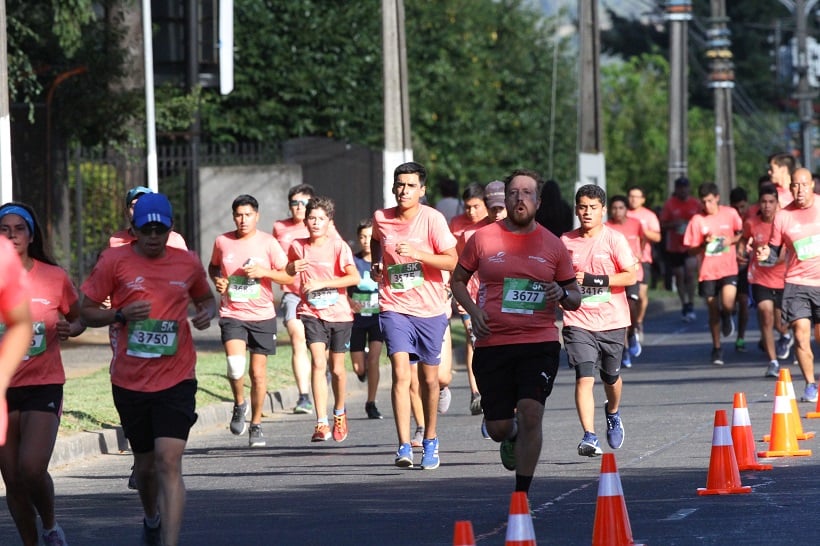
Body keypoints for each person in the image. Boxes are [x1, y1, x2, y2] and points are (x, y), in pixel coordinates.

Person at [80, 193, 215, 546]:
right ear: (134, 230)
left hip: (177, 376)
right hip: (130, 379)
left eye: (160, 229)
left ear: (170, 228)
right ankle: (152, 517)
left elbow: (206, 299)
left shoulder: (187, 262)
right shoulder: (114, 260)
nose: (154, 236)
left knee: (169, 461)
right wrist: (120, 315)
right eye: (146, 229)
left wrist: (205, 314)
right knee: (144, 466)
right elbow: (86, 311)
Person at [451, 168, 580, 493]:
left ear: (538, 200)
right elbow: (457, 281)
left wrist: (561, 294)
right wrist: (474, 310)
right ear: (504, 199)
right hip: (493, 343)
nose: (519, 198)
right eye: (513, 193)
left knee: (531, 412)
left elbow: (574, 296)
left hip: (538, 343)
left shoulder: (553, 245)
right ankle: (510, 436)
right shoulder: (482, 238)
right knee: (497, 426)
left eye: (527, 193)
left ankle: (521, 494)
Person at [371, 161, 457, 470]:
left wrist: (418, 254)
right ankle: (404, 444)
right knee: (400, 372)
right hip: (394, 305)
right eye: (400, 184)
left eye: (410, 185)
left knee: (429, 380)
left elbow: (452, 261)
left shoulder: (432, 219)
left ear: (422, 190)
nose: (404, 190)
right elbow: (376, 241)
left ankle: (431, 440)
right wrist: (376, 263)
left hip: (430, 309)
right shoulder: (382, 218)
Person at [0, 203, 78, 546]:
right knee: (13, 480)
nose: (12, 235)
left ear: (32, 236)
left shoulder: (53, 276)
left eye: (19, 228)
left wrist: (70, 327)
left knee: (31, 469)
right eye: (4, 229)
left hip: (43, 383)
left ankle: (49, 525)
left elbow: (79, 316)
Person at [208, 194, 291, 447]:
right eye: (238, 215)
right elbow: (213, 267)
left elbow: (287, 276)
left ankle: (256, 424)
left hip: (262, 315)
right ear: (233, 217)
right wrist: (218, 280)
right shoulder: (222, 241)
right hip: (233, 313)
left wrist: (264, 272)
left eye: (248, 215)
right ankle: (239, 404)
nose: (243, 220)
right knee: (235, 365)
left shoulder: (268, 243)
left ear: (257, 216)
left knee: (257, 373)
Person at [561, 184, 636, 457]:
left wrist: (596, 280)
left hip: (612, 321)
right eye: (582, 207)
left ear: (603, 210)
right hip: (578, 320)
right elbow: (556, 276)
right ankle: (589, 436)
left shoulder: (614, 240)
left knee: (611, 377)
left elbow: (630, 276)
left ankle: (613, 411)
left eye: (593, 208)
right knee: (584, 377)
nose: (587, 213)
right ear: (576, 209)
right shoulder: (565, 242)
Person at [286, 196, 359, 442]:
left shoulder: (339, 247)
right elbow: (288, 269)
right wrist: (291, 268)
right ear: (305, 221)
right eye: (311, 218)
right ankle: (321, 422)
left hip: (339, 314)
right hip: (311, 312)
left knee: (337, 369)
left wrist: (323, 283)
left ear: (329, 222)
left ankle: (339, 412)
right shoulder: (298, 245)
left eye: (321, 219)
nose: (315, 223)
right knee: (318, 362)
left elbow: (353, 278)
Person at [757, 168, 820, 403]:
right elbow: (774, 252)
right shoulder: (783, 217)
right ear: (790, 187)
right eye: (794, 185)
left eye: (803, 185)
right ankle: (811, 384)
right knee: (801, 334)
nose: (799, 190)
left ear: (812, 185)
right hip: (797, 283)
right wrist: (766, 255)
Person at [682, 182, 743, 366]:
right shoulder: (697, 220)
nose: (707, 205)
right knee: (712, 311)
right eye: (703, 202)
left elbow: (741, 233)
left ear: (717, 198)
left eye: (710, 201)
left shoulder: (730, 213)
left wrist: (730, 240)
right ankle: (717, 348)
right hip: (708, 272)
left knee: (727, 303)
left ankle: (728, 315)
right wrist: (702, 244)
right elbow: (690, 250)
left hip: (728, 268)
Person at [273, 184, 317, 415]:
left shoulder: (321, 224)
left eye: (304, 203)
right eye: (295, 203)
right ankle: (304, 396)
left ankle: (323, 372)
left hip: (320, 294)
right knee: (297, 337)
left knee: (320, 347)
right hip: (293, 292)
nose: (299, 207)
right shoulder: (280, 228)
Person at [449, 182, 490, 415]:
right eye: (467, 207)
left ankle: (489, 388)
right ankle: (477, 392)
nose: (471, 212)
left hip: (490, 291)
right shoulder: (456, 225)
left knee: (478, 340)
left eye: (476, 206)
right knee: (473, 337)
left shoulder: (493, 226)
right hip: (466, 290)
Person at [743, 184, 789, 377]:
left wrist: (770, 256)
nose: (767, 206)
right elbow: (746, 240)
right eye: (763, 202)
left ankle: (786, 335)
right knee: (765, 314)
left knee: (780, 323)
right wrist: (745, 248)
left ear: (777, 204)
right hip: (759, 278)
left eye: (771, 202)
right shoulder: (751, 223)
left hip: (782, 278)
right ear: (758, 204)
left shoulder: (783, 222)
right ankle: (772, 361)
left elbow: (782, 255)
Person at [348, 219, 384, 419]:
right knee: (358, 367)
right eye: (362, 237)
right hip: (357, 318)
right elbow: (345, 285)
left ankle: (371, 402)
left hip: (377, 317)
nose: (365, 241)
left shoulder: (382, 261)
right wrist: (349, 301)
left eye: (369, 237)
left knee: (374, 359)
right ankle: (363, 372)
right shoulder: (354, 261)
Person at [605, 195, 644, 368]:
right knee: (617, 313)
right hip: (614, 275)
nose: (617, 211)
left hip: (632, 272)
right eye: (614, 208)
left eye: (621, 207)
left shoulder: (636, 224)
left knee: (632, 305)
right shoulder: (605, 228)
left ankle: (632, 333)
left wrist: (639, 253)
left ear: (626, 209)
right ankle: (624, 350)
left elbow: (642, 240)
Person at [660, 177, 701, 322]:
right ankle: (684, 303)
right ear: (676, 189)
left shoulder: (695, 204)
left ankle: (691, 303)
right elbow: (662, 224)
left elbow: (703, 220)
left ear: (689, 188)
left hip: (690, 245)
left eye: (685, 187)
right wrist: (673, 224)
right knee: (679, 275)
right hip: (674, 246)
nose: (683, 190)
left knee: (690, 272)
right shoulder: (670, 204)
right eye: (680, 188)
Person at [626, 185, 661, 339]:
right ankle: (628, 324)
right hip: (625, 260)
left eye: (636, 196)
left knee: (641, 294)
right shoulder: (623, 214)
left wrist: (641, 230)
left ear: (643, 199)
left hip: (643, 259)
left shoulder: (649, 216)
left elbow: (658, 237)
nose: (633, 199)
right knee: (628, 297)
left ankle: (639, 321)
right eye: (631, 196)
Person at [110, 186, 188, 250]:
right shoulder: (116, 241)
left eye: (144, 205)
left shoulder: (175, 240)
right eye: (134, 206)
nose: (153, 236)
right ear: (126, 211)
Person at [729, 187, 751, 353]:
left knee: (744, 301)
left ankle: (741, 337)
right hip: (727, 267)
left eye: (742, 207)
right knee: (728, 304)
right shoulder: (726, 218)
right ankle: (727, 315)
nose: (739, 211)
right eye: (736, 207)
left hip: (745, 267)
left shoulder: (751, 219)